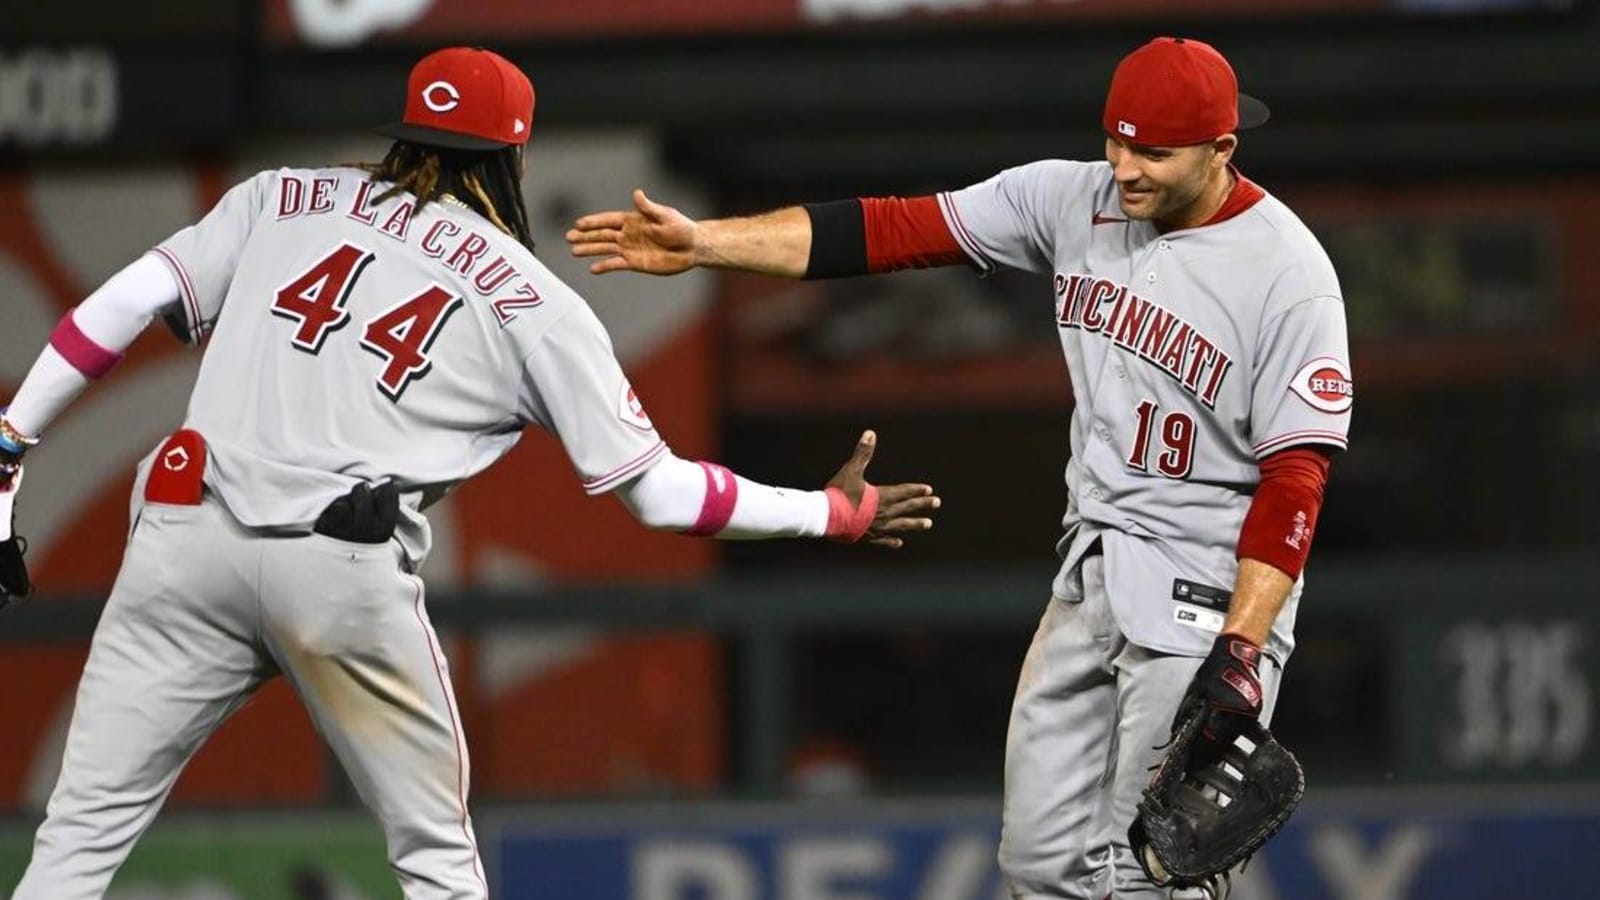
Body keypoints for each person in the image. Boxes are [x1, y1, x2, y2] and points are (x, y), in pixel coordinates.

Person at [0, 46, 939, 900]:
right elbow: (659, 493)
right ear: (514, 157)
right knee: (437, 863)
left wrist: (11, 443)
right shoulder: (534, 302)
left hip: (184, 536)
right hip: (338, 567)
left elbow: (120, 304)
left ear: (408, 131)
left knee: (75, 845)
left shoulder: (283, 195)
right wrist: (827, 513)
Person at [567, 35, 1352, 899]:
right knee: (1039, 865)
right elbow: (894, 229)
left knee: (1148, 878)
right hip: (1091, 570)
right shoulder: (1070, 197)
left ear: (1221, 149)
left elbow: (1297, 477)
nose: (1124, 167)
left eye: (1154, 153)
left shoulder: (1288, 274)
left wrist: (1243, 647)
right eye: (1116, 140)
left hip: (1204, 592)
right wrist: (707, 243)